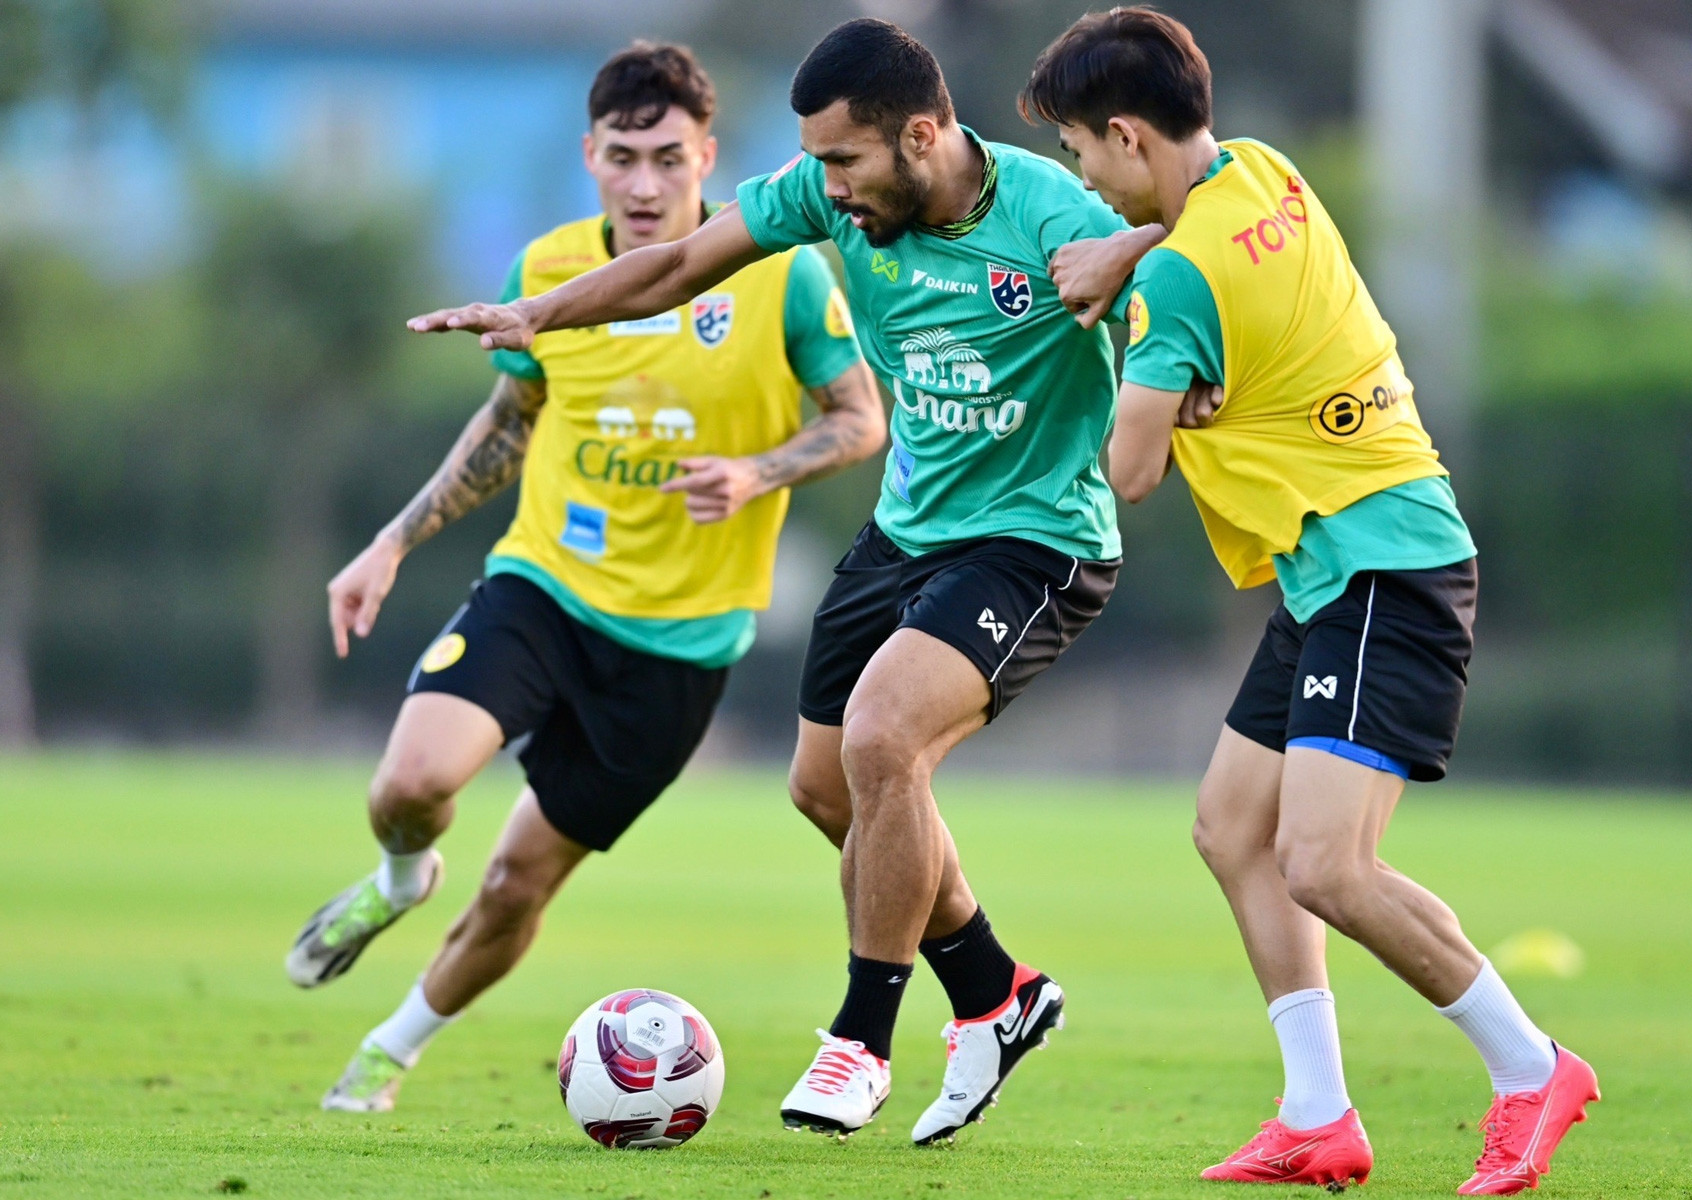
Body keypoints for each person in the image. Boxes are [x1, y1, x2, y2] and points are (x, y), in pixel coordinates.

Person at [410, 17, 1178, 1146]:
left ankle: (861, 1040)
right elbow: (674, 266)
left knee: (882, 742)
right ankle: (997, 992)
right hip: (905, 535)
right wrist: (539, 313)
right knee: (826, 788)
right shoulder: (826, 197)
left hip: (1036, 542)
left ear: (923, 135)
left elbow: (1215, 228)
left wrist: (1147, 262)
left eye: (843, 161)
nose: (824, 187)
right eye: (813, 161)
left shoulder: (1056, 216)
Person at [1022, 9, 1598, 1195]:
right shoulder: (1262, 170)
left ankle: (1533, 1068)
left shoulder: (1177, 280)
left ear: (1126, 136)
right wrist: (1133, 261)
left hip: (1381, 564)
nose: (1081, 175)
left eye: (1081, 149)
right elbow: (1193, 223)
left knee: (1326, 865)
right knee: (1232, 829)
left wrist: (1136, 351)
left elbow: (1128, 474)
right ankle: (1318, 1113)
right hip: (1341, 560)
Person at [285, 41, 884, 1113]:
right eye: (622, 159)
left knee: (518, 884)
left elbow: (859, 419)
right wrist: (390, 543)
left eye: (668, 158)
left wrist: (760, 469)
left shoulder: (783, 274)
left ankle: (390, 1049)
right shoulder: (550, 268)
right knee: (410, 787)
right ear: (590, 157)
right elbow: (510, 424)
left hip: (680, 646)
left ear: (710, 154)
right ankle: (398, 880)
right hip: (544, 590)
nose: (647, 185)